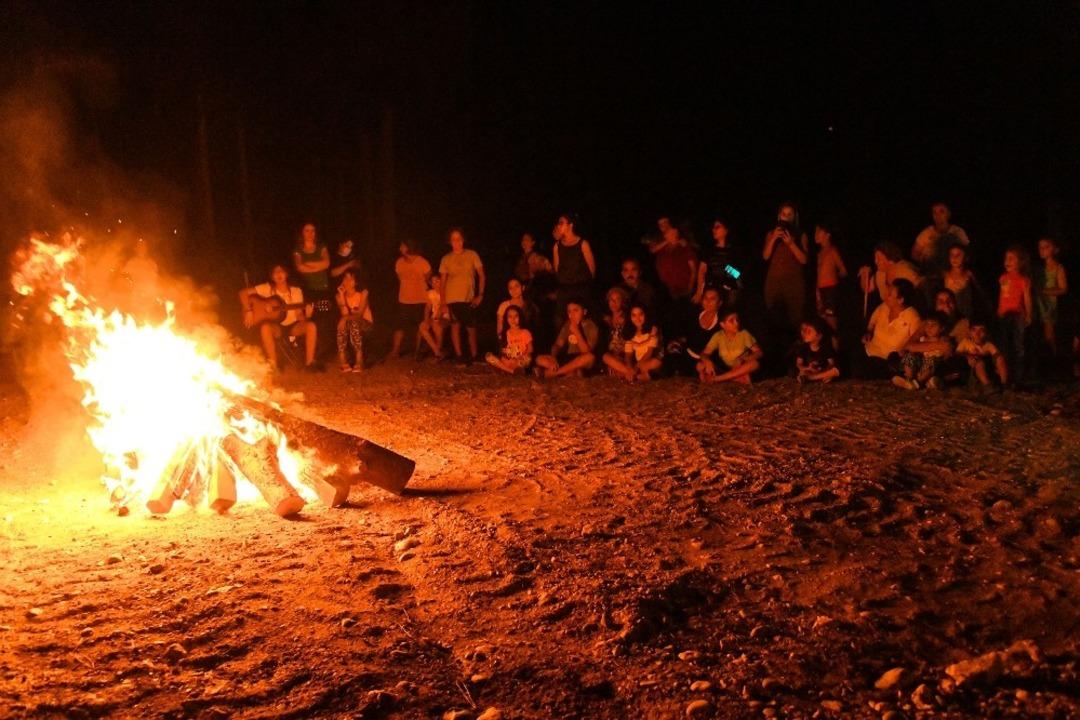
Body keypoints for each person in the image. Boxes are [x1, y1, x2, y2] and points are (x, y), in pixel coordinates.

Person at [239, 264, 318, 371]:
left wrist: (307, 315)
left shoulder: (295, 291)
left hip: (293, 326)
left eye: (282, 271)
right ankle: (274, 366)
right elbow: (242, 293)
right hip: (276, 326)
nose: (279, 274)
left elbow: (299, 315)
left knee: (311, 326)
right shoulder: (267, 288)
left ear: (286, 274)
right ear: (272, 276)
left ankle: (310, 364)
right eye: (276, 272)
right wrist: (248, 310)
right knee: (265, 327)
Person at [857, 278, 921, 378]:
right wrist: (868, 333)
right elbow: (871, 325)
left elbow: (916, 342)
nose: (886, 296)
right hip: (870, 351)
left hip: (889, 359)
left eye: (890, 294)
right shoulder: (883, 307)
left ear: (901, 299)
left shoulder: (912, 317)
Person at [439, 228, 486, 364]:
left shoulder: (472, 255)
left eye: (458, 239)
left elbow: (482, 275)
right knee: (455, 326)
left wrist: (480, 295)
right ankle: (459, 356)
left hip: (468, 297)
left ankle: (475, 355)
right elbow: (442, 282)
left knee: (471, 327)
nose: (456, 242)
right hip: (452, 298)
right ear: (449, 242)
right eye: (453, 239)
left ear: (463, 240)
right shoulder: (446, 259)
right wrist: (443, 302)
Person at [762, 203, 810, 334]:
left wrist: (791, 244)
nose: (786, 217)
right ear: (779, 216)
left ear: (794, 217)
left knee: (794, 320)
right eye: (784, 214)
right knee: (774, 319)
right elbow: (765, 256)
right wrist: (773, 239)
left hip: (793, 284)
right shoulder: (771, 234)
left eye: (790, 214)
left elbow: (804, 260)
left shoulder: (801, 235)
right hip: (774, 282)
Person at [292, 222, 334, 360]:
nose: (310, 233)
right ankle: (310, 353)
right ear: (302, 233)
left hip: (322, 288)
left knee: (323, 320)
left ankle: (322, 352)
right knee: (309, 319)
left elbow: (327, 263)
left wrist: (309, 264)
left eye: (312, 230)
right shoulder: (298, 250)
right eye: (307, 230)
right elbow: (300, 267)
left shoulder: (321, 247)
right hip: (307, 289)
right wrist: (318, 266)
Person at [996, 245, 1033, 386]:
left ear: (1021, 262)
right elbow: (1002, 296)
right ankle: (1005, 376)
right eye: (1006, 258)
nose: (1007, 261)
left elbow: (1027, 298)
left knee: (1018, 345)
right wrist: (999, 309)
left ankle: (1019, 378)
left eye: (1011, 258)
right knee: (1005, 345)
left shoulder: (1024, 280)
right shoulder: (1003, 278)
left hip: (1017, 315)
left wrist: (1029, 314)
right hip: (1005, 315)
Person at [535, 299, 598, 379]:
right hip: (568, 358)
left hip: (581, 359)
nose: (572, 314)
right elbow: (557, 345)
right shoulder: (567, 324)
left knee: (590, 357)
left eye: (576, 310)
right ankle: (569, 373)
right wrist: (553, 358)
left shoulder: (591, 327)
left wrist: (576, 331)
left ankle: (552, 373)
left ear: (584, 312)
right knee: (539, 358)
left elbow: (586, 351)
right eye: (569, 311)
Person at [665, 287, 722, 376]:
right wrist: (677, 341)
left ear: (719, 303)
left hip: (706, 358)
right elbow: (685, 335)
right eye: (705, 298)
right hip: (688, 353)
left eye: (713, 299)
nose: (708, 302)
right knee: (672, 350)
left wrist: (706, 359)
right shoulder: (694, 314)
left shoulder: (721, 323)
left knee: (704, 367)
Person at [390, 239, 432, 359]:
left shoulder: (422, 262)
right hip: (404, 299)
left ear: (409, 246)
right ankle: (395, 351)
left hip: (420, 299)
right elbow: (400, 279)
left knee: (420, 326)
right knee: (399, 325)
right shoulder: (399, 262)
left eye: (402, 245)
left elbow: (428, 278)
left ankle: (417, 351)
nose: (400, 248)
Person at [698, 309, 763, 384]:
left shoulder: (744, 334)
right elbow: (704, 353)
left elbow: (759, 352)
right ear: (723, 325)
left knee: (754, 364)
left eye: (737, 320)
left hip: (740, 367)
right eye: (731, 321)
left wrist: (743, 359)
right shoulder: (718, 336)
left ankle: (717, 379)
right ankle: (734, 378)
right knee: (700, 365)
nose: (736, 323)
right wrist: (707, 361)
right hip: (726, 369)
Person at [552, 213, 596, 322]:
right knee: (563, 320)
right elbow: (557, 268)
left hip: (581, 290)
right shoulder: (557, 246)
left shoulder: (583, 244)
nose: (558, 226)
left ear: (570, 225)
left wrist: (584, 284)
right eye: (558, 223)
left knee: (584, 319)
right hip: (565, 290)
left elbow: (592, 268)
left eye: (561, 223)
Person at [893, 311, 953, 390]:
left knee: (932, 361)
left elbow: (946, 356)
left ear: (942, 328)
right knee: (910, 356)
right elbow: (910, 349)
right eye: (927, 324)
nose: (929, 328)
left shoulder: (943, 342)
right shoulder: (922, 339)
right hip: (919, 368)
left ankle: (917, 383)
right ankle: (909, 379)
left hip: (932, 370)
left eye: (933, 325)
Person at [603, 304, 662, 382]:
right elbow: (628, 354)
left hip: (646, 362)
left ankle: (629, 376)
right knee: (606, 357)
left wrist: (637, 367)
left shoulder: (652, 330)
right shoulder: (630, 332)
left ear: (645, 314)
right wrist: (630, 367)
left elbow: (649, 353)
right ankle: (632, 375)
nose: (637, 318)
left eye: (640, 314)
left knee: (656, 362)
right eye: (634, 315)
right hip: (636, 365)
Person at [858, 241, 923, 308]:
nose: (875, 261)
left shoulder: (904, 271)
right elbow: (867, 288)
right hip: (889, 310)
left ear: (889, 257)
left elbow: (921, 288)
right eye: (875, 258)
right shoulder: (880, 274)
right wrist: (864, 274)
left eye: (878, 258)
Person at [695, 217, 742, 307]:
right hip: (711, 289)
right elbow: (702, 271)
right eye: (713, 227)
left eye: (718, 227)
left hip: (728, 292)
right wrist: (699, 292)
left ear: (726, 230)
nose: (714, 229)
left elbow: (738, 274)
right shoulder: (709, 250)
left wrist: (726, 268)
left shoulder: (734, 251)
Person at [912, 202, 970, 274]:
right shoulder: (926, 233)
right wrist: (926, 264)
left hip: (952, 274)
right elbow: (915, 253)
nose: (938, 215)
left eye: (941, 211)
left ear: (948, 214)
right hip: (932, 274)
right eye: (934, 212)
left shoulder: (958, 231)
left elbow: (967, 251)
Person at [649, 220, 698, 303]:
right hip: (667, 290)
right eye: (668, 234)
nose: (670, 236)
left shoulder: (685, 248)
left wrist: (690, 289)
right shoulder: (662, 250)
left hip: (683, 289)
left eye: (673, 233)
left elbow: (693, 270)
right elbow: (653, 250)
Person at [1035, 237, 1068, 357]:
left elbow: (1063, 289)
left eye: (1046, 246)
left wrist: (1044, 291)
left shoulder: (1058, 268)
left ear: (1055, 249)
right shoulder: (1038, 269)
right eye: (1040, 247)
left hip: (1049, 306)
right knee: (1039, 334)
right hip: (1037, 304)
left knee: (1049, 335)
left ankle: (1053, 359)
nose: (1042, 249)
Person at [814, 222, 848, 333]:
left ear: (828, 235)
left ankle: (835, 348)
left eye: (819, 232)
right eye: (815, 232)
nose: (816, 234)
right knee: (822, 322)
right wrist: (818, 291)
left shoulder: (833, 251)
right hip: (821, 290)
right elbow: (819, 273)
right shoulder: (820, 253)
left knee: (832, 324)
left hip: (831, 290)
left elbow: (843, 270)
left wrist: (834, 281)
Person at [335, 269, 371, 373]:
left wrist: (344, 319)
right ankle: (343, 360)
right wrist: (342, 295)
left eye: (351, 279)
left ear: (356, 282)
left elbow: (359, 315)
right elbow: (345, 314)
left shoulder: (362, 294)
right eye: (345, 278)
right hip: (350, 323)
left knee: (351, 322)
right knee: (344, 324)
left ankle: (359, 360)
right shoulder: (339, 296)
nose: (347, 281)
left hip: (365, 323)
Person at [941, 243, 986, 321]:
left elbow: (979, 290)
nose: (954, 258)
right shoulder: (945, 275)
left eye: (958, 255)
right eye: (952, 255)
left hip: (966, 313)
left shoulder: (968, 274)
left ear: (966, 258)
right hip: (950, 313)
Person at [485, 305, 533, 374]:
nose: (513, 319)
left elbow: (530, 349)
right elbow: (503, 350)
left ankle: (506, 370)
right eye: (510, 317)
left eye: (516, 316)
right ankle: (512, 371)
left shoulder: (525, 332)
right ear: (506, 319)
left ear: (520, 317)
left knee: (528, 358)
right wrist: (505, 356)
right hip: (508, 361)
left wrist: (522, 356)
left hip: (519, 362)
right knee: (489, 356)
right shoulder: (505, 333)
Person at [957, 321, 1007, 388]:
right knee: (979, 362)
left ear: (986, 334)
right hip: (971, 369)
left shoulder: (988, 345)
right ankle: (987, 385)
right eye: (974, 330)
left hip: (987, 368)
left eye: (981, 330)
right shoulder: (966, 342)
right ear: (970, 332)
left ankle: (1004, 383)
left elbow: (997, 355)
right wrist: (968, 356)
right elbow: (957, 353)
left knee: (1000, 358)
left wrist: (997, 361)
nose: (977, 334)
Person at [795, 318, 840, 383]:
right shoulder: (803, 347)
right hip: (810, 370)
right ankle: (818, 377)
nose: (805, 334)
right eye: (805, 331)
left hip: (822, 370)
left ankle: (811, 378)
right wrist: (807, 368)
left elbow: (831, 363)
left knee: (836, 369)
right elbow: (799, 364)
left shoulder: (825, 348)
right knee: (797, 372)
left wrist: (822, 369)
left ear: (819, 336)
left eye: (809, 331)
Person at [419, 274, 450, 359]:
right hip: (434, 317)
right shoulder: (430, 293)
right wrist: (426, 319)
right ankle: (437, 351)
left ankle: (438, 352)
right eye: (433, 282)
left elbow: (445, 308)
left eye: (437, 281)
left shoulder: (447, 291)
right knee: (422, 327)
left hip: (446, 317)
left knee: (437, 326)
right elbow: (428, 307)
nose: (435, 283)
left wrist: (437, 318)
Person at [601, 286, 631, 360]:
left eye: (617, 299)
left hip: (625, 354)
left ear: (623, 302)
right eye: (611, 299)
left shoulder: (628, 318)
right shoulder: (606, 320)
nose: (613, 302)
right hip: (610, 355)